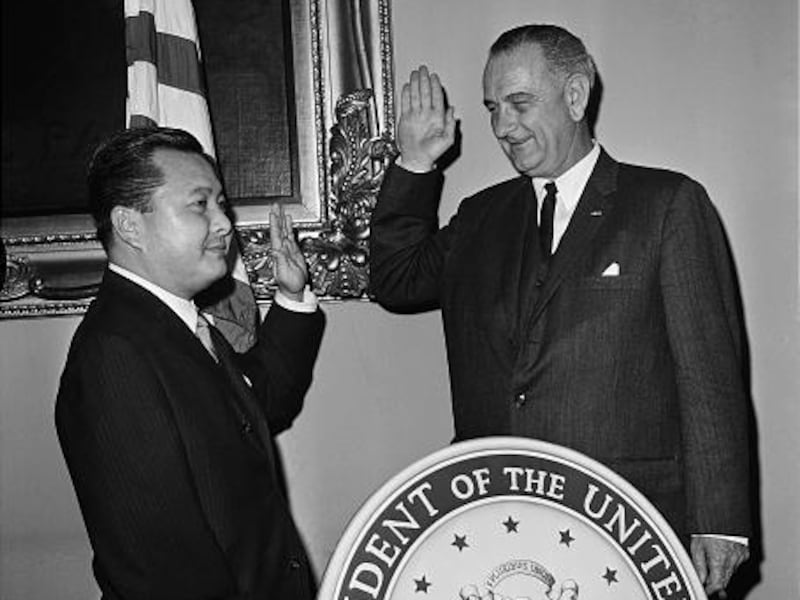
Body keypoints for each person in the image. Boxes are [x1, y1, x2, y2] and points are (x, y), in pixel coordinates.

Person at [370, 24, 751, 596]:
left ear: (575, 96)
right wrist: (415, 164)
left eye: (520, 104)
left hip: (631, 528)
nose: (502, 127)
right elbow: (396, 280)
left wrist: (720, 522)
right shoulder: (482, 217)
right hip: (504, 526)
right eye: (494, 108)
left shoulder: (666, 205)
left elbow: (710, 378)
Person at [56, 127, 324, 598]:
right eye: (200, 204)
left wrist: (291, 295)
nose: (225, 223)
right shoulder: (113, 355)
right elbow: (166, 569)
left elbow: (260, 405)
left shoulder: (177, 325)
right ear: (129, 225)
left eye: (220, 203)